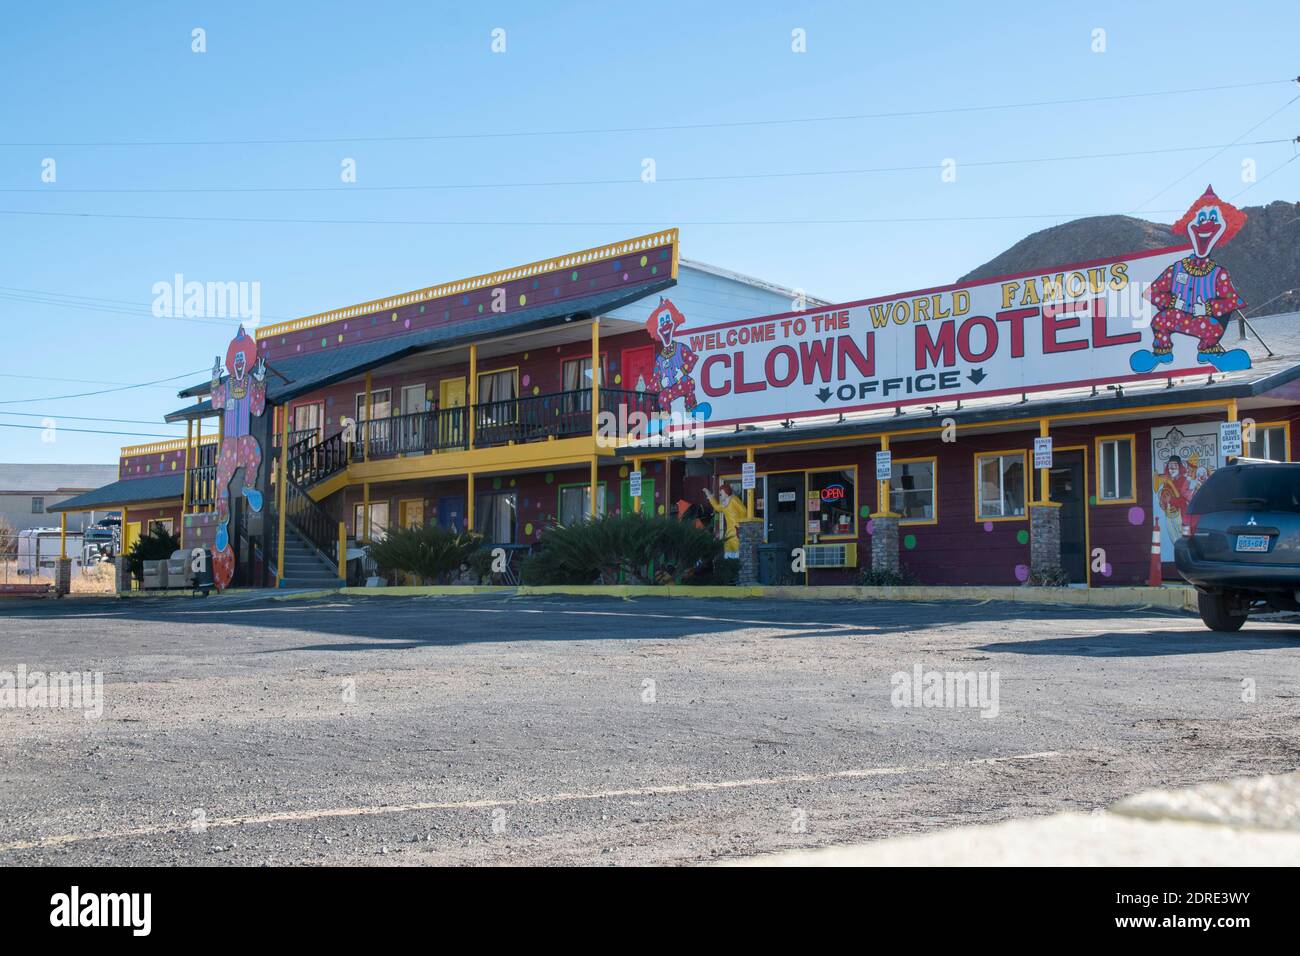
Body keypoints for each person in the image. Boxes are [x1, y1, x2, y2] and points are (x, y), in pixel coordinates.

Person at [703, 484, 747, 557]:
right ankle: (729, 565)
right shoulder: (724, 504)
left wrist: (740, 525)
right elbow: (717, 507)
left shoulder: (733, 499)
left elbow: (744, 511)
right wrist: (709, 495)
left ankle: (738, 565)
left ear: (726, 492)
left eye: (721, 493)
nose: (720, 495)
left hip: (736, 530)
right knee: (728, 548)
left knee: (737, 547)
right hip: (729, 531)